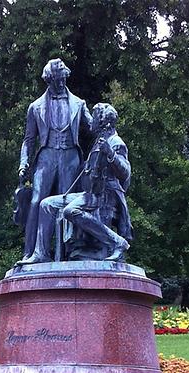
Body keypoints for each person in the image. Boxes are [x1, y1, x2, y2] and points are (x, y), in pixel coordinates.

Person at [15, 58, 92, 264]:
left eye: (63, 78)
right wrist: (24, 163)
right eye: (56, 80)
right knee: (36, 201)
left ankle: (68, 253)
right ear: (49, 80)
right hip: (46, 156)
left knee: (66, 202)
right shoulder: (35, 107)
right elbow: (29, 140)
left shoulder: (79, 103)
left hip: (70, 156)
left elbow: (93, 128)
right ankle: (32, 252)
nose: (60, 83)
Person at [37, 102, 131, 262]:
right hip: (91, 194)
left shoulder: (116, 142)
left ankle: (117, 242)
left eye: (94, 118)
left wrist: (111, 154)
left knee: (69, 211)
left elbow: (125, 172)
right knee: (47, 204)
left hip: (106, 195)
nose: (91, 122)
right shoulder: (99, 140)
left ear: (103, 122)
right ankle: (41, 255)